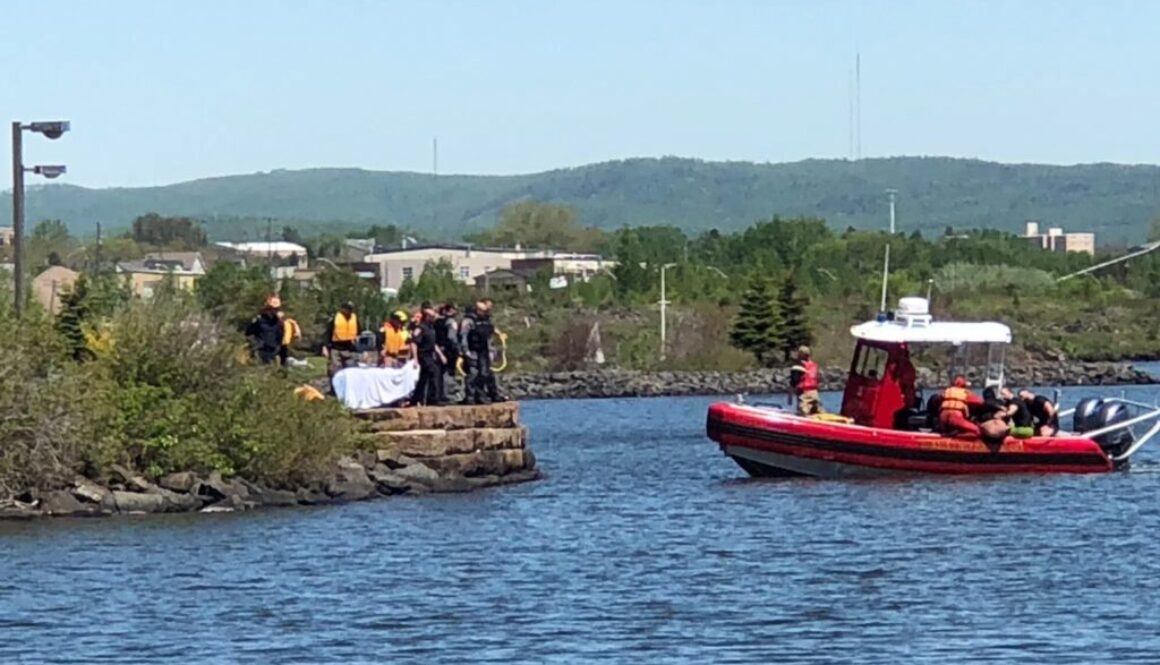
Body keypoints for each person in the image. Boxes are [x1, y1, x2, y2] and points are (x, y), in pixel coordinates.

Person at [459, 299, 504, 404]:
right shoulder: (468, 321)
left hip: (484, 352)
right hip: (473, 350)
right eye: (481, 311)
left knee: (484, 374)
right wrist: (465, 351)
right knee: (473, 374)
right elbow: (463, 336)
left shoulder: (486, 321)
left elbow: (490, 335)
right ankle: (470, 397)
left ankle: (481, 396)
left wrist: (493, 350)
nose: (484, 313)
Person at [410, 302, 447, 406]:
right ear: (427, 317)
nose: (434, 318)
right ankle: (434, 399)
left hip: (430, 355)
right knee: (434, 372)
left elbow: (433, 344)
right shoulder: (420, 328)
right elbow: (414, 343)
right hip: (423, 355)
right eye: (431, 316)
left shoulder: (431, 328)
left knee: (423, 378)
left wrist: (441, 355)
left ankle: (415, 399)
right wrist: (416, 359)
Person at [322, 301, 360, 377]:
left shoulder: (354, 319)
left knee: (351, 371)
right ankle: (334, 388)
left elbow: (359, 331)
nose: (349, 311)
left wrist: (357, 338)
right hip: (336, 349)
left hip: (349, 349)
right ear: (342, 309)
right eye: (347, 308)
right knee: (335, 371)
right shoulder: (335, 318)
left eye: (350, 309)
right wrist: (324, 347)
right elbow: (327, 333)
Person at [245, 295, 285, 365]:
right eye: (272, 309)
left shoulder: (279, 323)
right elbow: (248, 333)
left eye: (276, 309)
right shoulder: (259, 321)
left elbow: (280, 338)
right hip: (259, 352)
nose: (274, 311)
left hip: (272, 352)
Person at [435, 303, 461, 402]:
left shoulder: (437, 322)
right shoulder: (450, 322)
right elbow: (452, 337)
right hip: (448, 350)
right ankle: (447, 395)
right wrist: (457, 349)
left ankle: (440, 394)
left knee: (440, 373)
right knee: (448, 372)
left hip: (439, 350)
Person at [788, 345, 823, 416]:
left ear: (801, 354)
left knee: (803, 413)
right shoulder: (814, 366)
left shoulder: (799, 366)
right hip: (815, 394)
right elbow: (818, 380)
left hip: (805, 395)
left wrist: (790, 398)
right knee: (818, 413)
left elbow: (794, 381)